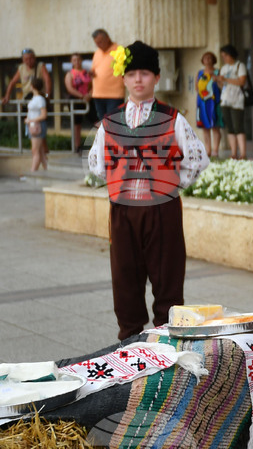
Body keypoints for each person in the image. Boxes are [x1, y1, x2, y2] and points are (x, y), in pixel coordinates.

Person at [87, 41, 209, 340]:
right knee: (125, 280)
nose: (138, 79)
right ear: (124, 78)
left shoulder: (172, 117)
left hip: (162, 210)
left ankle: (168, 347)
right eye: (132, 74)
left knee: (167, 280)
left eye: (144, 73)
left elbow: (197, 159)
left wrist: (169, 186)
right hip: (123, 210)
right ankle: (129, 345)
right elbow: (97, 165)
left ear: (156, 77)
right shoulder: (110, 122)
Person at [216, 44, 248, 160]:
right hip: (225, 99)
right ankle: (234, 152)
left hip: (237, 99)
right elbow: (222, 85)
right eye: (222, 56)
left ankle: (243, 153)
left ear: (231, 54)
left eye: (225, 55)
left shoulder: (240, 66)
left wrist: (225, 79)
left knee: (238, 126)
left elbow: (241, 81)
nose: (224, 58)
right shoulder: (224, 68)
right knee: (230, 127)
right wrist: (219, 81)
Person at [91, 29, 125, 119]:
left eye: (100, 42)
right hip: (98, 94)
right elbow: (94, 69)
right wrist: (92, 73)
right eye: (96, 43)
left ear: (108, 38)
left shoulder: (119, 50)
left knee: (113, 124)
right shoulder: (97, 53)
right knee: (103, 125)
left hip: (114, 95)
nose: (98, 45)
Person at [195, 52, 222, 158]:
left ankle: (215, 150)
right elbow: (196, 88)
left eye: (209, 58)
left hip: (214, 102)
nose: (207, 60)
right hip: (202, 102)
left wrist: (217, 80)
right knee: (205, 127)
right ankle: (207, 150)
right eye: (205, 58)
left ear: (213, 59)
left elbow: (222, 86)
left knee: (215, 126)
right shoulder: (200, 72)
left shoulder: (218, 71)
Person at [24, 77, 48, 172]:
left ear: (33, 86)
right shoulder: (35, 98)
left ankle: (33, 171)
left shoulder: (40, 99)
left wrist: (31, 120)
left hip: (37, 126)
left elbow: (43, 115)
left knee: (35, 150)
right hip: (33, 126)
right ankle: (47, 168)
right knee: (40, 151)